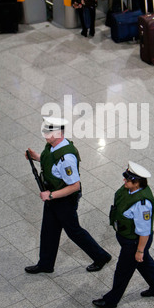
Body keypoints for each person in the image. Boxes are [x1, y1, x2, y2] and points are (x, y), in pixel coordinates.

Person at [25, 116, 112, 274]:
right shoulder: (51, 146)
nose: (45, 133)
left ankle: (101, 256)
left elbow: (74, 186)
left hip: (64, 200)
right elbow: (51, 163)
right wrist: (37, 157)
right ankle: (45, 264)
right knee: (49, 230)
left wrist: (50, 196)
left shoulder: (67, 158)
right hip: (54, 196)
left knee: (74, 232)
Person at [92, 161, 154, 308]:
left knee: (123, 271)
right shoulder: (129, 189)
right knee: (144, 263)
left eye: (127, 178)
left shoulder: (143, 203)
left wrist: (139, 250)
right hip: (128, 238)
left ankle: (111, 300)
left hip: (135, 243)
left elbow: (144, 231)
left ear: (137, 183)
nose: (124, 180)